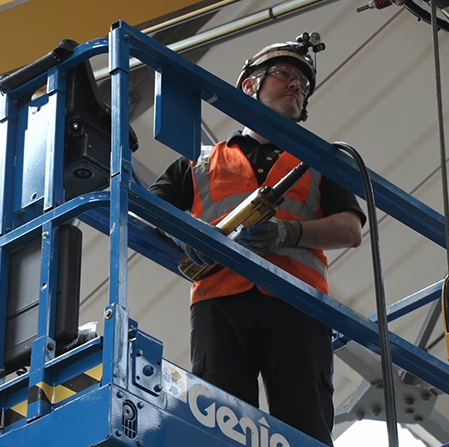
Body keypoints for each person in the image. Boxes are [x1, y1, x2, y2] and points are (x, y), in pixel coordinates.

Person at [148, 35, 365, 446]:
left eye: (303, 83)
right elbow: (147, 206)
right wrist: (184, 236)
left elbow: (351, 230)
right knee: (220, 426)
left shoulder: (319, 161)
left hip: (298, 304)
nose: (297, 86)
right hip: (220, 302)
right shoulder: (199, 161)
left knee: (305, 429)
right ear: (250, 86)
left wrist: (291, 231)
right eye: (286, 75)